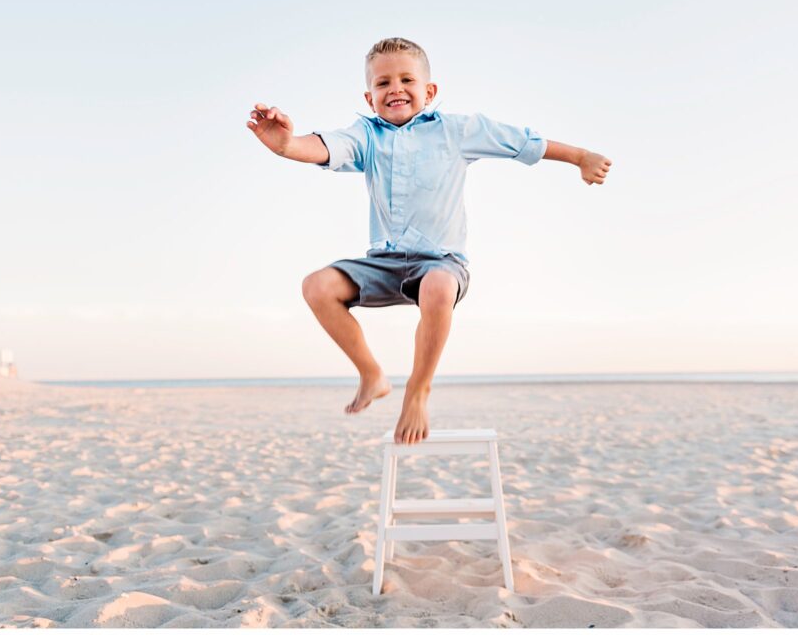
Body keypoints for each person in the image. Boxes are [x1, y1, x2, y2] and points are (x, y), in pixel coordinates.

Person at [246, 37, 612, 445]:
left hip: (441, 262)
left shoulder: (457, 130)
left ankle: (418, 391)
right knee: (316, 286)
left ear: (429, 91)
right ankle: (372, 374)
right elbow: (321, 146)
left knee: (437, 285)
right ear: (370, 98)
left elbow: (523, 142)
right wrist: (285, 144)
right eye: (383, 84)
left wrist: (581, 157)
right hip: (385, 262)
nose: (395, 89)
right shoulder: (366, 135)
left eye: (406, 79)